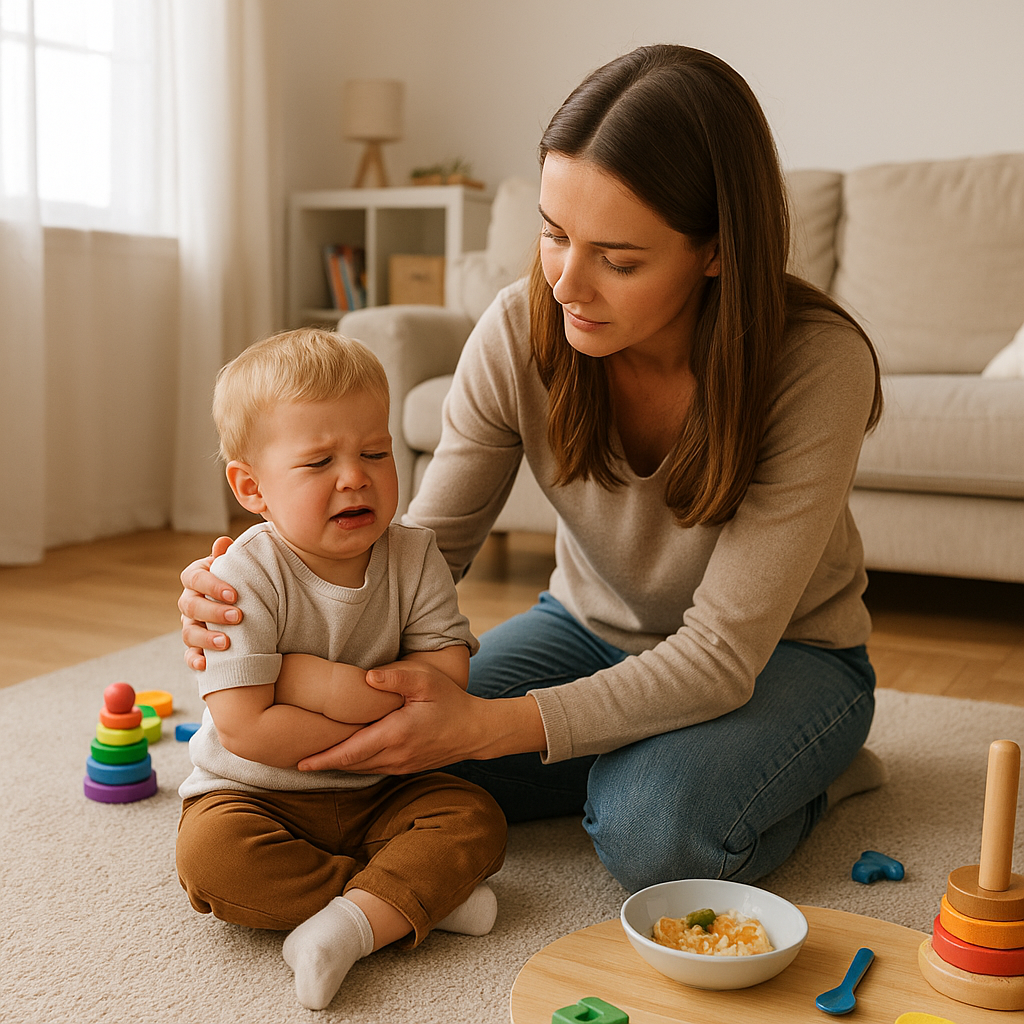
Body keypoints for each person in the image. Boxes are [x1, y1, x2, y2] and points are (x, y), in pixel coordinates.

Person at [179, 45, 887, 896]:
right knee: (389, 757)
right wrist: (259, 604)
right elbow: (419, 558)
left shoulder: (816, 364)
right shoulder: (521, 329)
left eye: (618, 260)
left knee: (652, 832)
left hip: (785, 657)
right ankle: (648, 752)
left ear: (715, 250)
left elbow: (722, 654)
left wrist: (487, 728)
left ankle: (809, 770)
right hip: (588, 630)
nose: (566, 284)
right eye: (554, 235)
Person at [175, 327, 507, 1011]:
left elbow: (446, 681)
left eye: (375, 452)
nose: (354, 476)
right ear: (252, 487)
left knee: (476, 817)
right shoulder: (244, 575)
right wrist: (369, 702)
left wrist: (312, 682)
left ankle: (350, 922)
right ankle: (400, 899)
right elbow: (244, 728)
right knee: (211, 860)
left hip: (386, 786)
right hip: (257, 793)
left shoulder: (414, 556)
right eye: (319, 461)